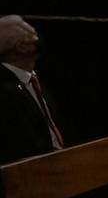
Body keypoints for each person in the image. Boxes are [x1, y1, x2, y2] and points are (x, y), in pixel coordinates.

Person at [0, 23, 66, 165]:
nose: (37, 39)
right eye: (32, 35)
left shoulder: (37, 80)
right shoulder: (5, 91)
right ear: (20, 47)